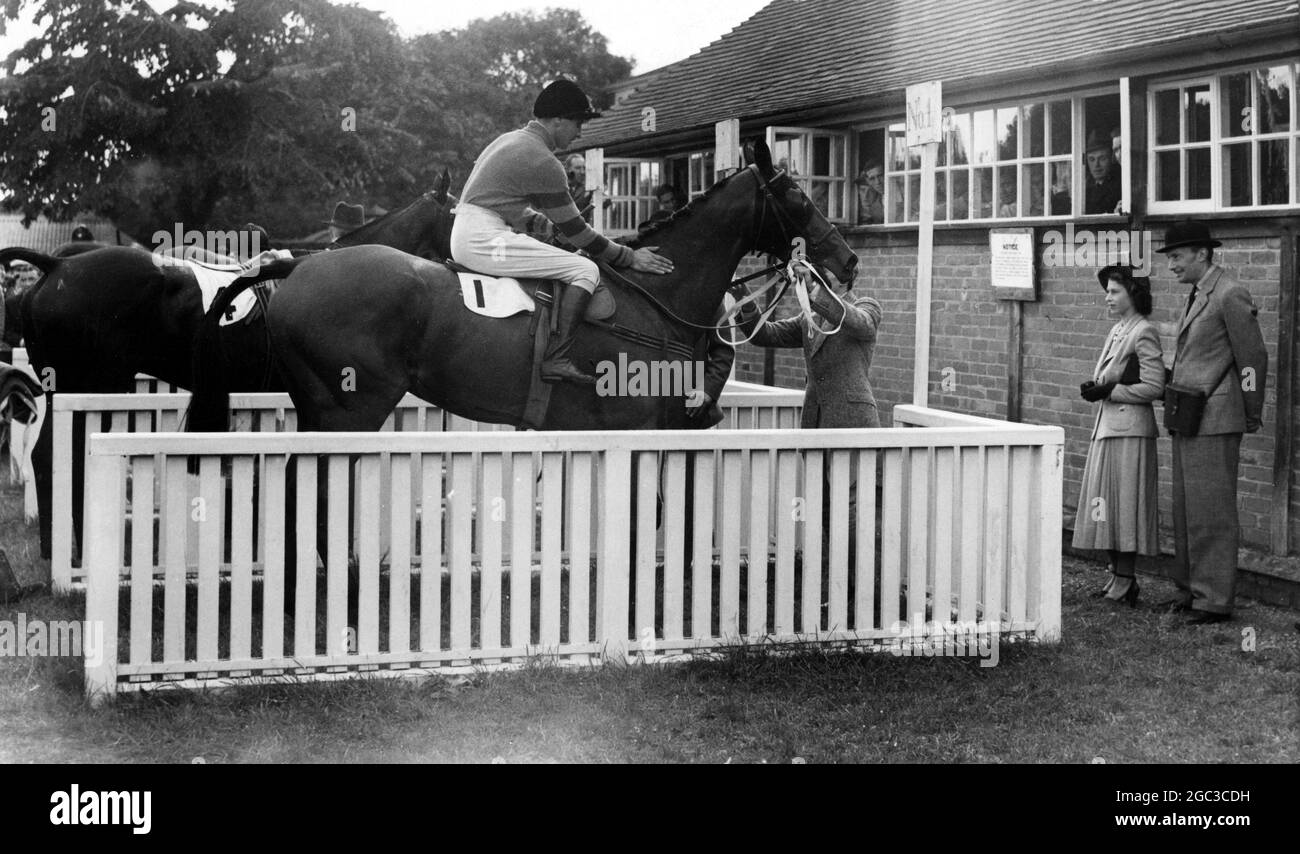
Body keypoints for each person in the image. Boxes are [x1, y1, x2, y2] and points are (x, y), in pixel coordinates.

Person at [450, 78, 673, 385]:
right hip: (484, 239)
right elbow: (579, 234)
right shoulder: (544, 159)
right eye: (577, 122)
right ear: (557, 121)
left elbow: (510, 208)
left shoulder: (511, 140)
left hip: (472, 230)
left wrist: (550, 230)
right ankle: (557, 358)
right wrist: (628, 256)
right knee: (585, 269)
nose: (580, 132)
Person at [1160, 221, 1267, 625]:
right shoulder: (1198, 294)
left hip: (1218, 418)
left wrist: (1251, 412)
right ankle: (1190, 590)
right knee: (1188, 509)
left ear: (1201, 253)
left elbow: (1253, 358)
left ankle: (1214, 600)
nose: (1171, 265)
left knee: (1212, 512)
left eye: (1176, 256)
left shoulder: (1229, 293)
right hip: (1189, 415)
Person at [1071, 266, 1165, 606]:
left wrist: (1111, 391)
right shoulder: (1117, 329)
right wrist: (1097, 387)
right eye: (1107, 291)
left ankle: (1126, 580)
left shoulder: (1144, 331)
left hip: (1130, 431)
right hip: (1109, 427)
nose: (1107, 297)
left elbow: (1155, 386)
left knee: (1124, 505)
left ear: (1133, 294)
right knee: (1106, 505)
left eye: (1114, 291)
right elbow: (1112, 378)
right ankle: (1117, 576)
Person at [735, 274, 883, 428]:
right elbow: (764, 335)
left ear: (844, 279)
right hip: (814, 420)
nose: (818, 273)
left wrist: (813, 289)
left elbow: (860, 323)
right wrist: (746, 301)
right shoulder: (809, 317)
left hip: (853, 421)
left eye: (826, 269)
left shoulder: (866, 306)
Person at [1083, 130, 1123, 215]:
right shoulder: (1084, 188)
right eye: (1092, 159)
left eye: (1102, 158)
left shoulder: (1120, 185)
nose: (1096, 165)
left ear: (1112, 158)